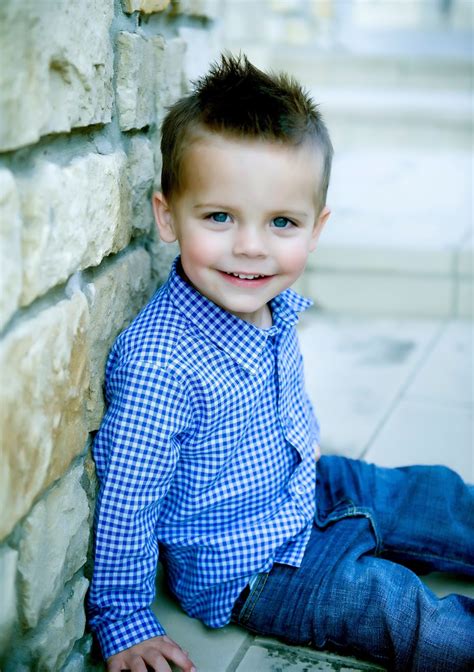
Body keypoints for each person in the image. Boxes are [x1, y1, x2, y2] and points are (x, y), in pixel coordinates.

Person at [87, 54, 474, 672]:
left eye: (281, 223)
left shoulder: (270, 302)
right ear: (167, 215)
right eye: (219, 216)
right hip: (253, 569)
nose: (250, 246)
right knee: (400, 611)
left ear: (315, 229)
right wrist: (123, 615)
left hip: (304, 488)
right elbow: (128, 500)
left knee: (433, 493)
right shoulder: (161, 360)